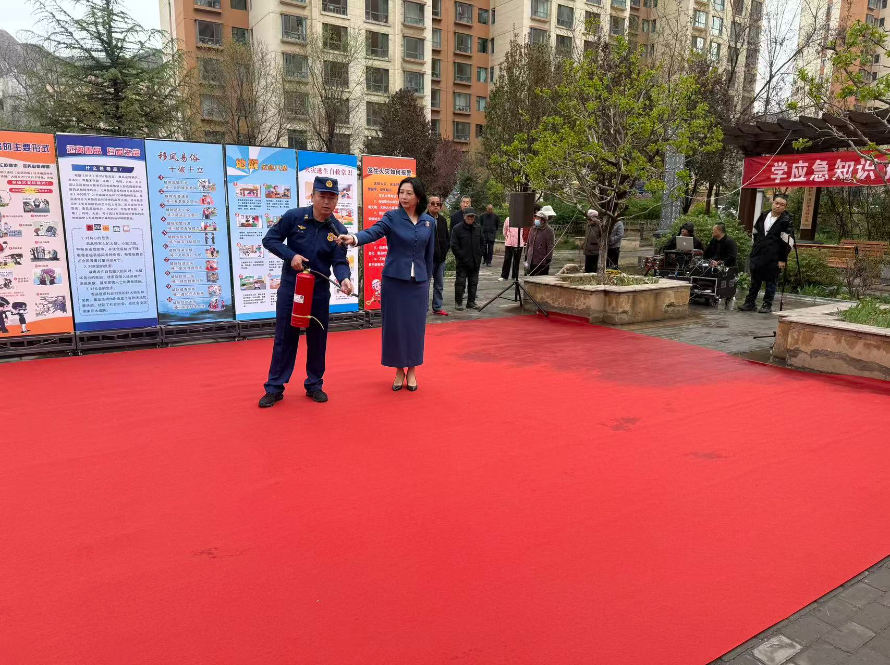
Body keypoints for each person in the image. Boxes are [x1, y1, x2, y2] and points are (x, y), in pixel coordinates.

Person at [258, 176, 353, 408]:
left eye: (332, 197)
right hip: (292, 288)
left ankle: (314, 384)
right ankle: (274, 387)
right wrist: (291, 256)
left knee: (318, 339)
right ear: (312, 196)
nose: (327, 202)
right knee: (285, 337)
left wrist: (345, 279)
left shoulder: (338, 230)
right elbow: (270, 239)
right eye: (322, 196)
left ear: (337, 200)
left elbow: (339, 261)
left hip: (319, 291)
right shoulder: (294, 217)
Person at [341, 177, 435, 392]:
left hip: (419, 283)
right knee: (396, 327)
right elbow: (373, 232)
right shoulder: (391, 217)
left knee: (415, 328)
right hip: (394, 282)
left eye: (409, 193)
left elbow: (429, 256)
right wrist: (354, 238)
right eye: (401, 192)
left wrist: (427, 280)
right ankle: (399, 370)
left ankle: (412, 369)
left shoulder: (429, 222)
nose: (404, 197)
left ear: (418, 196)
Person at [739, 193, 794, 314]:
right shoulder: (763, 215)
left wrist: (782, 259)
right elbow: (755, 232)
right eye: (776, 203)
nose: (778, 206)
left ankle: (767, 304)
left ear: (785, 207)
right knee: (755, 280)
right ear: (772, 202)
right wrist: (756, 247)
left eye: (782, 205)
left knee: (771, 281)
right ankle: (750, 303)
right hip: (758, 253)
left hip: (774, 256)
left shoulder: (786, 220)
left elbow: (788, 243)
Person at [450, 207, 484, 310]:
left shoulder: (478, 228)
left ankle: (471, 302)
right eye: (468, 216)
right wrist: (461, 256)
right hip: (463, 262)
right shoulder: (457, 229)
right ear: (464, 216)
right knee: (460, 283)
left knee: (473, 283)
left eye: (472, 217)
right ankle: (458, 303)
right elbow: (454, 245)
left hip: (475, 261)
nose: (470, 218)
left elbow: (483, 242)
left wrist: (479, 255)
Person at [428, 194, 450, 316]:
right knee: (425, 285)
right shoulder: (423, 219)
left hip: (441, 259)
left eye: (438, 204)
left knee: (439, 285)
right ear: (428, 205)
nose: (436, 206)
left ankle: (437, 307)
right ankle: (423, 308)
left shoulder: (442, 220)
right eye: (433, 203)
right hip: (428, 259)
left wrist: (445, 251)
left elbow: (447, 238)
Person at [525, 205, 556, 276]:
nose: (536, 219)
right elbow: (528, 244)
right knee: (529, 278)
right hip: (530, 260)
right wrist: (526, 255)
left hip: (541, 261)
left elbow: (550, 246)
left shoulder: (548, 230)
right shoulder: (532, 229)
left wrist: (548, 259)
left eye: (538, 218)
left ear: (543, 220)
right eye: (536, 217)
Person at [499, 213, 528, 282]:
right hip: (509, 243)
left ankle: (515, 276)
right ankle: (504, 276)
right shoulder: (508, 219)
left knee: (517, 260)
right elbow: (505, 230)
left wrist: (523, 240)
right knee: (507, 259)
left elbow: (524, 231)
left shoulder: (522, 220)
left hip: (519, 243)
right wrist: (507, 237)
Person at [583, 209, 602, 273]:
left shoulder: (599, 226)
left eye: (590, 219)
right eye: (588, 219)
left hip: (594, 250)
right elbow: (587, 236)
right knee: (587, 267)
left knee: (593, 268)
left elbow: (602, 236)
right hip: (587, 250)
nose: (588, 221)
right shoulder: (588, 226)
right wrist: (584, 244)